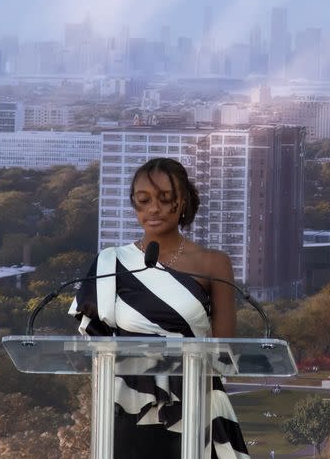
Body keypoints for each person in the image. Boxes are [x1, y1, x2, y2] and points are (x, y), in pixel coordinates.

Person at [69, 158, 249, 459]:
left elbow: (224, 353)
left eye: (165, 200)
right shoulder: (109, 264)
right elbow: (94, 348)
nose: (153, 209)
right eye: (144, 200)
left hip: (197, 407)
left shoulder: (213, 264)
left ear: (182, 202)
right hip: (128, 411)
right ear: (134, 205)